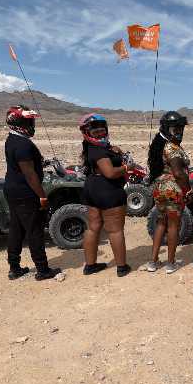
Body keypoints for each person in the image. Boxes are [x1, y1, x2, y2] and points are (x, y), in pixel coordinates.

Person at [4, 105, 61, 281]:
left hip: (13, 190)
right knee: (34, 230)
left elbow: (23, 165)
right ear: (19, 123)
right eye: (29, 122)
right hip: (26, 193)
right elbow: (30, 175)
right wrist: (42, 196)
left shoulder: (12, 139)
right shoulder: (23, 145)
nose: (32, 125)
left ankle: (14, 268)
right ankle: (43, 270)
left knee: (16, 229)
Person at [80, 114, 131, 277]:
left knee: (93, 227)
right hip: (108, 190)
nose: (100, 134)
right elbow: (110, 172)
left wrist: (115, 150)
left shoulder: (92, 148)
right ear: (87, 132)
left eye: (102, 131)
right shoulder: (99, 151)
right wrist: (126, 168)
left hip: (92, 188)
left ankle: (90, 265)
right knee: (115, 230)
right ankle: (122, 267)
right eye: (96, 132)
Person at [147, 111, 191, 274]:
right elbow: (178, 173)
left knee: (161, 223)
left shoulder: (160, 145)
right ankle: (171, 263)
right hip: (174, 191)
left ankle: (153, 262)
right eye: (175, 128)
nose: (179, 132)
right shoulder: (172, 148)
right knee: (173, 226)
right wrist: (188, 190)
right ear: (166, 128)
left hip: (160, 190)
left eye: (180, 128)